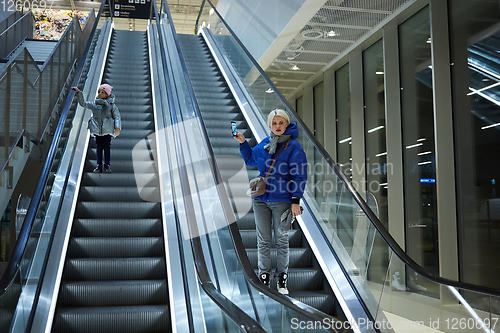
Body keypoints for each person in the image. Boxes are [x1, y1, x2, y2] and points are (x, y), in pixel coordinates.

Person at [233, 109, 307, 294]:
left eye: (281, 123)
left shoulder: (294, 147)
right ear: (269, 125)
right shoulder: (265, 144)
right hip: (261, 199)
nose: (278, 126)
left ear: (287, 123)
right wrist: (243, 142)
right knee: (263, 240)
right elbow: (251, 159)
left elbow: (300, 175)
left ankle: (282, 279)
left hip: (282, 199)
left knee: (281, 240)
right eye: (274, 123)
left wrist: (295, 200)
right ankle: (264, 276)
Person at [71, 84, 121, 173]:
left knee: (106, 148)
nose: (100, 94)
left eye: (103, 92)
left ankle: (107, 165)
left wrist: (117, 128)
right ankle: (99, 165)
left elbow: (117, 117)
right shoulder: (95, 105)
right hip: (98, 131)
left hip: (108, 130)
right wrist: (79, 93)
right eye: (99, 92)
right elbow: (83, 104)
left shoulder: (111, 106)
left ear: (108, 94)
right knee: (98, 148)